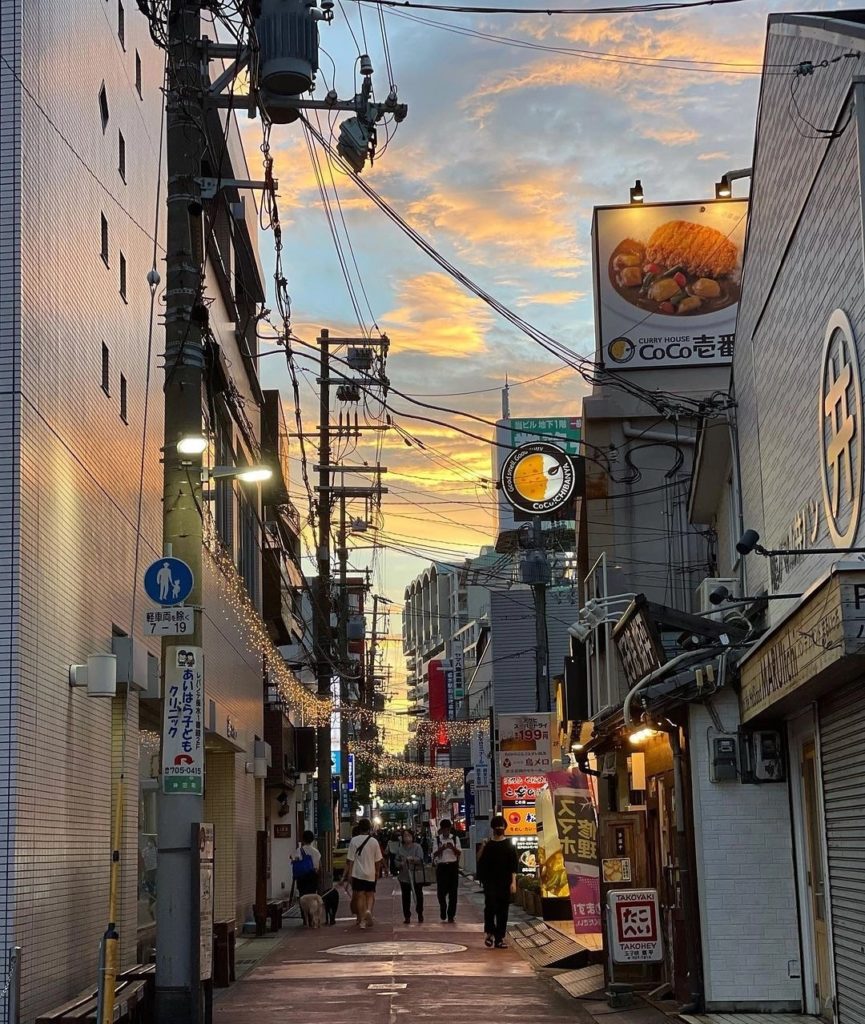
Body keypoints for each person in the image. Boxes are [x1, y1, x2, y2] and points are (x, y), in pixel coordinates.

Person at [477, 814, 519, 949]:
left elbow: (514, 866)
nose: (499, 829)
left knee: (503, 910)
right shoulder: (488, 844)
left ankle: (499, 938)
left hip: (505, 882)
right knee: (490, 907)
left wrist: (513, 883)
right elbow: (479, 860)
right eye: (497, 827)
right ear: (493, 828)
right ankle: (490, 932)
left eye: (501, 826)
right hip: (490, 881)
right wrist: (483, 846)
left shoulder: (509, 845)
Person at [343, 817, 383, 928]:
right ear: (369, 828)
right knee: (370, 894)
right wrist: (377, 872)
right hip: (370, 872)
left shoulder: (354, 841)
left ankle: (362, 921)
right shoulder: (374, 841)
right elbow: (378, 860)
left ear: (359, 828)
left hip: (357, 873)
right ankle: (369, 911)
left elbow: (350, 860)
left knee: (360, 896)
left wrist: (349, 874)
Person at [432, 818, 462, 922]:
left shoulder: (455, 838)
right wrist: (442, 848)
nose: (446, 832)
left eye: (447, 830)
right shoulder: (437, 840)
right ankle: (443, 908)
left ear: (450, 829)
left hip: (452, 867)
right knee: (441, 892)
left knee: (453, 893)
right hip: (442, 867)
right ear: (441, 829)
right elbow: (434, 853)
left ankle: (451, 915)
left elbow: (459, 852)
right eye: (444, 830)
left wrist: (452, 847)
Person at [394, 828, 426, 924]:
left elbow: (421, 859)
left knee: (418, 895)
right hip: (404, 877)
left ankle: (420, 912)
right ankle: (407, 916)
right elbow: (396, 861)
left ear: (412, 836)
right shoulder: (400, 849)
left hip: (416, 876)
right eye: (405, 836)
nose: (407, 837)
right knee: (405, 897)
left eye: (409, 835)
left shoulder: (417, 847)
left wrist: (412, 859)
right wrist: (400, 864)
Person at [291, 830, 321, 897]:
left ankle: (303, 907)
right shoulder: (316, 852)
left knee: (303, 896)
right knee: (312, 896)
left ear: (303, 839)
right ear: (312, 840)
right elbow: (317, 867)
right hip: (313, 877)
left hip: (302, 878)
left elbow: (294, 861)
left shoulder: (299, 850)